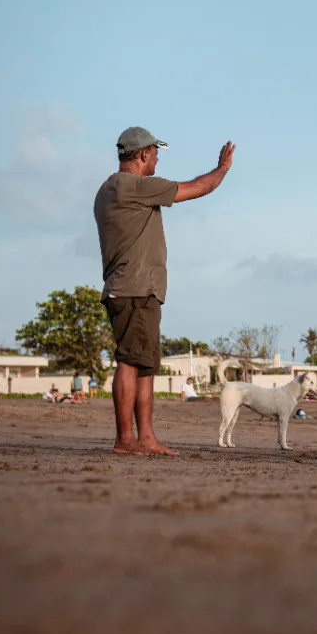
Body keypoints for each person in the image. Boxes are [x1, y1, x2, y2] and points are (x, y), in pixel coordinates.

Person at [94, 126, 235, 455]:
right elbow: (199, 187)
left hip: (131, 287)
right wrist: (223, 168)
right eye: (155, 153)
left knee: (144, 366)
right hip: (135, 288)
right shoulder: (135, 186)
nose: (157, 158)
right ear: (143, 154)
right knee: (130, 362)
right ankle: (125, 440)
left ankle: (145, 438)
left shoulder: (107, 189)